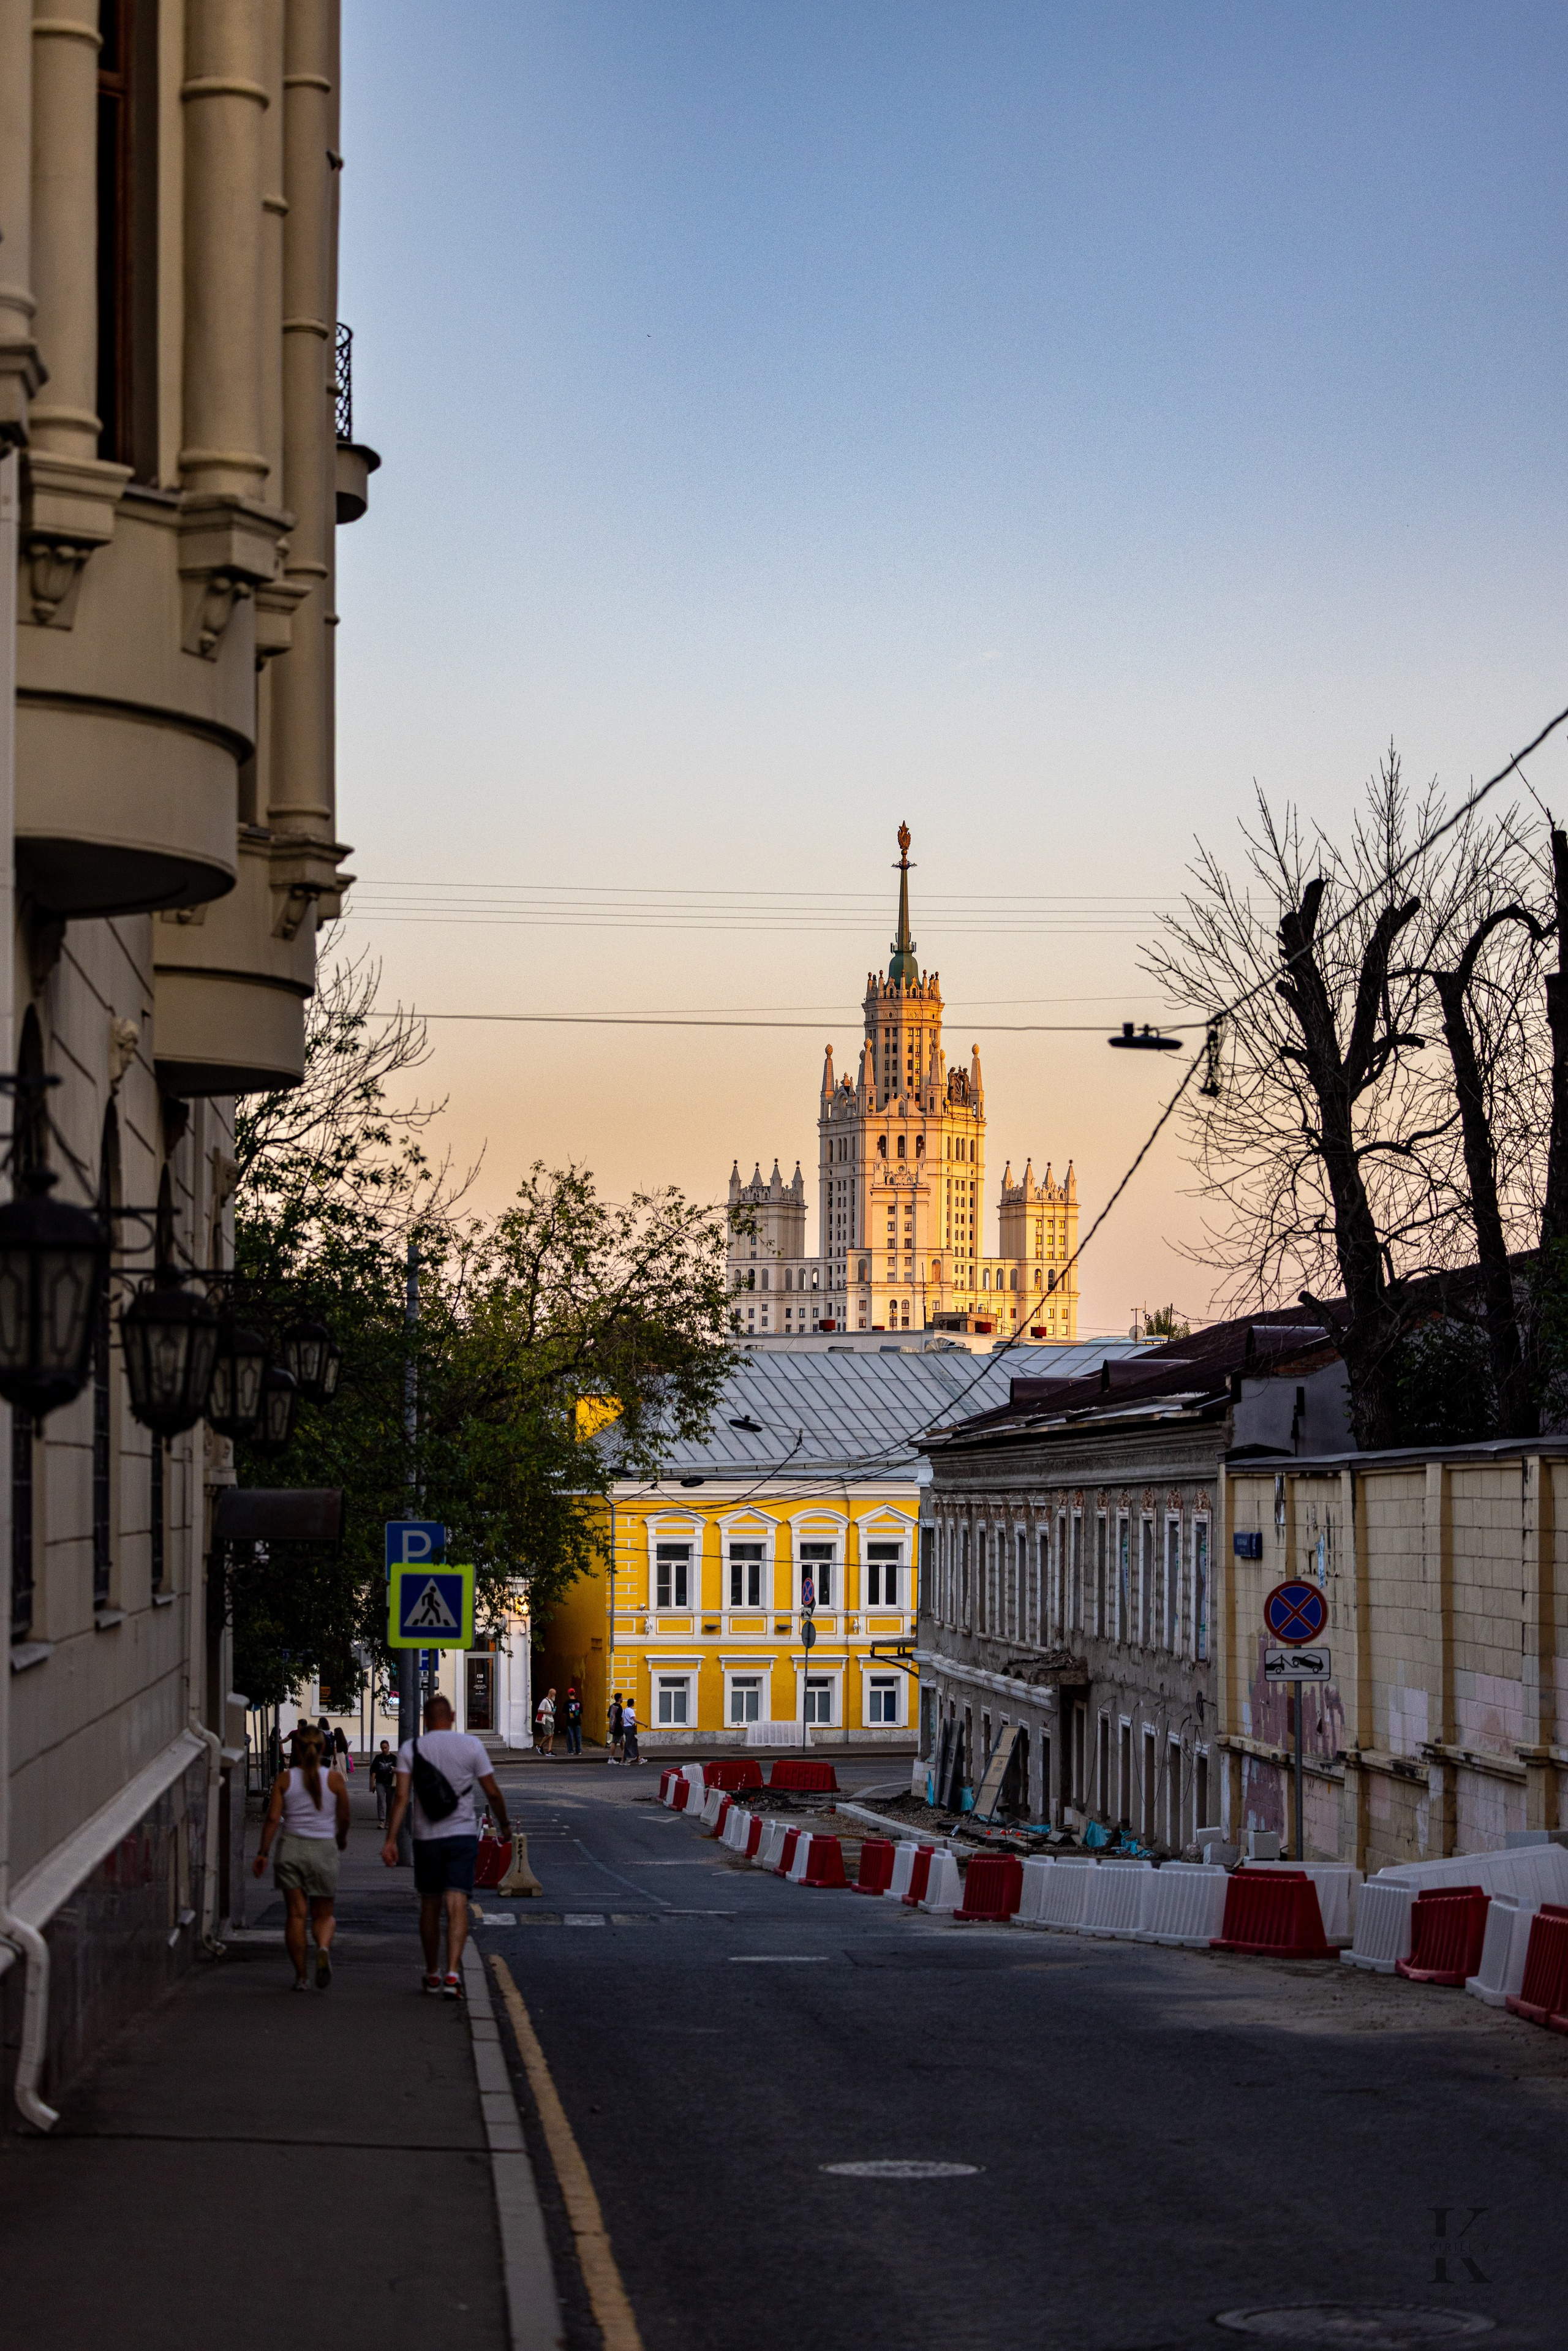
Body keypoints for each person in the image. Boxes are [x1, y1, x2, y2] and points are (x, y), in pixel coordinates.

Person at [382, 1695, 511, 1998]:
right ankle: (453, 1974)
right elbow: (492, 1792)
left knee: (430, 1905)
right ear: (452, 1716)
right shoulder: (472, 1746)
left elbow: (401, 1798)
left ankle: (432, 1973)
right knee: (457, 1904)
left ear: (425, 1719)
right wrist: (504, 1826)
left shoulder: (410, 1749)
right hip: (462, 1836)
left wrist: (390, 1841)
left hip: (427, 1839)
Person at [252, 1726, 350, 1990]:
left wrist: (262, 1853)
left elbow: (273, 1818)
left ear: (296, 1748)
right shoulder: (334, 1780)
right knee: (324, 1914)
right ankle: (322, 1948)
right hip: (323, 1850)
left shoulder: (284, 1780)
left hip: (291, 1850)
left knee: (296, 1915)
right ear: (323, 1749)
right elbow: (344, 1816)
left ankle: (301, 1977)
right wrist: (340, 1839)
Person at [369, 1738, 398, 1825]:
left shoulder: (394, 1758)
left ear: (389, 1747)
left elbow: (399, 1769)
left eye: (386, 1748)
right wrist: (372, 1782)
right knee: (381, 1800)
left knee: (390, 1802)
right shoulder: (378, 1758)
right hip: (380, 1782)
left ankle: (388, 1821)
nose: (384, 1750)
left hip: (390, 1783)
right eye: (382, 1748)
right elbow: (374, 1770)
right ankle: (382, 1820)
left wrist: (395, 1770)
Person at [535, 1687, 556, 1757]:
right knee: (549, 1734)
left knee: (552, 1735)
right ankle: (540, 1746)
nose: (555, 1696)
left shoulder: (551, 1702)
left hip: (551, 1719)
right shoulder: (545, 1701)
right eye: (554, 1694)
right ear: (551, 1694)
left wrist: (552, 1713)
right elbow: (540, 1710)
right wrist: (549, 1712)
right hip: (546, 1719)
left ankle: (549, 1751)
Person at [563, 1686, 582, 1756]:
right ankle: (579, 1750)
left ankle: (571, 1751)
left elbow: (565, 1712)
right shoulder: (579, 1702)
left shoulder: (566, 1703)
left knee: (570, 1737)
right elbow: (581, 1712)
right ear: (575, 1694)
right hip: (577, 1721)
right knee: (578, 1736)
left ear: (568, 1694)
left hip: (570, 1721)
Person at [621, 1697, 640, 1765]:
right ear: (633, 1704)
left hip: (626, 1728)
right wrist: (644, 1724)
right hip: (630, 1728)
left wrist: (623, 1728)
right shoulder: (631, 1711)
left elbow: (622, 1721)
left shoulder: (624, 1711)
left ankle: (639, 1758)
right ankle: (625, 1760)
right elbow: (635, 1720)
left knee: (634, 1741)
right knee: (627, 1744)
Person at [607, 1693, 624, 1765]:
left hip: (612, 1727)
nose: (623, 1699)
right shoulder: (619, 1707)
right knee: (614, 1742)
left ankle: (625, 1756)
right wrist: (623, 1726)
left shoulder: (612, 1706)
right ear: (619, 1699)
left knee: (622, 1742)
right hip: (618, 1728)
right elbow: (620, 1719)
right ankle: (611, 1758)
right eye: (622, 1697)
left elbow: (608, 1715)